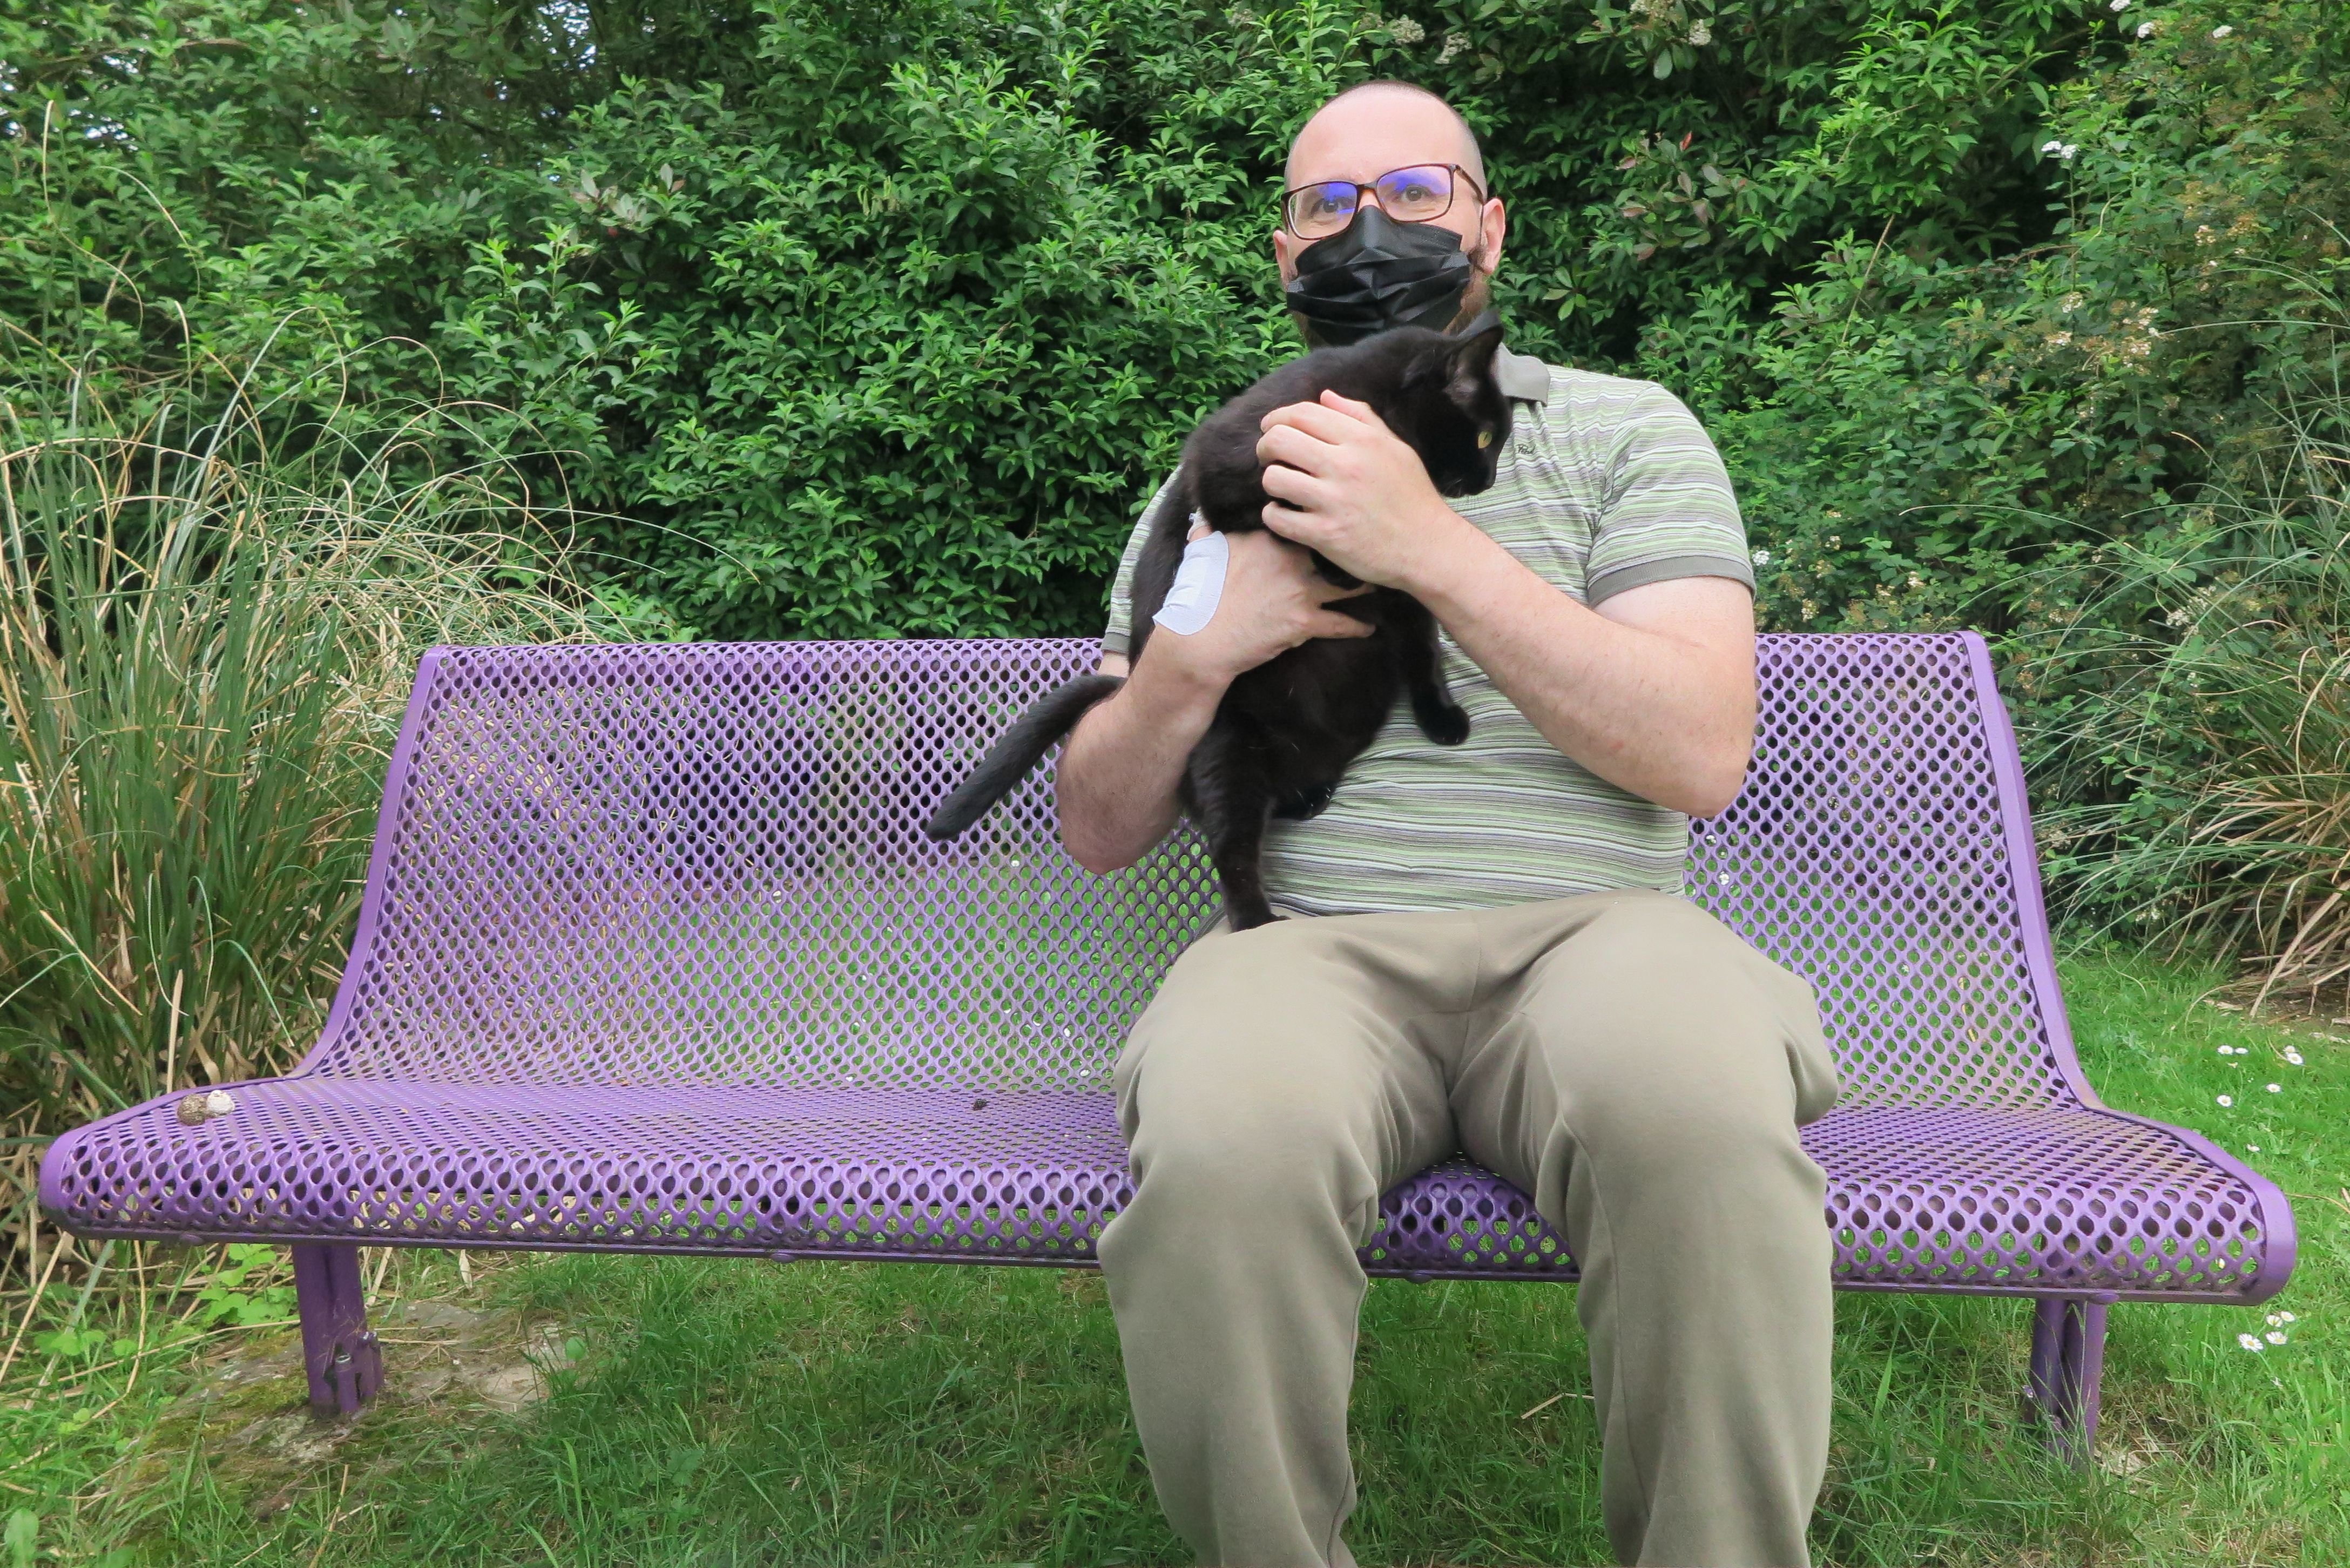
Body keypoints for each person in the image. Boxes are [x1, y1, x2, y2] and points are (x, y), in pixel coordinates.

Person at [1056, 80, 1839, 1568]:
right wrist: (1192, 658)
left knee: (1700, 1120)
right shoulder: (1224, 468)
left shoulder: (1625, 432)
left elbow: (1699, 748)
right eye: (1327, 206)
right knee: (1223, 1146)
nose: (1370, 229)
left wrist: (1429, 544)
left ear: (1490, 225)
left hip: (1603, 937)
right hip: (1304, 948)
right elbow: (1098, 827)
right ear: (1285, 255)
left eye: (1415, 193)